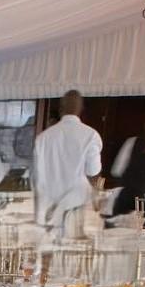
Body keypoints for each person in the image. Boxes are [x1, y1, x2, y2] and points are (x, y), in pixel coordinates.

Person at [33, 90, 102, 228]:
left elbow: (37, 176)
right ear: (81, 109)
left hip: (49, 206)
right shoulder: (91, 135)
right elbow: (93, 171)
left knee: (50, 240)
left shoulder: (43, 138)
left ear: (61, 109)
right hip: (77, 205)